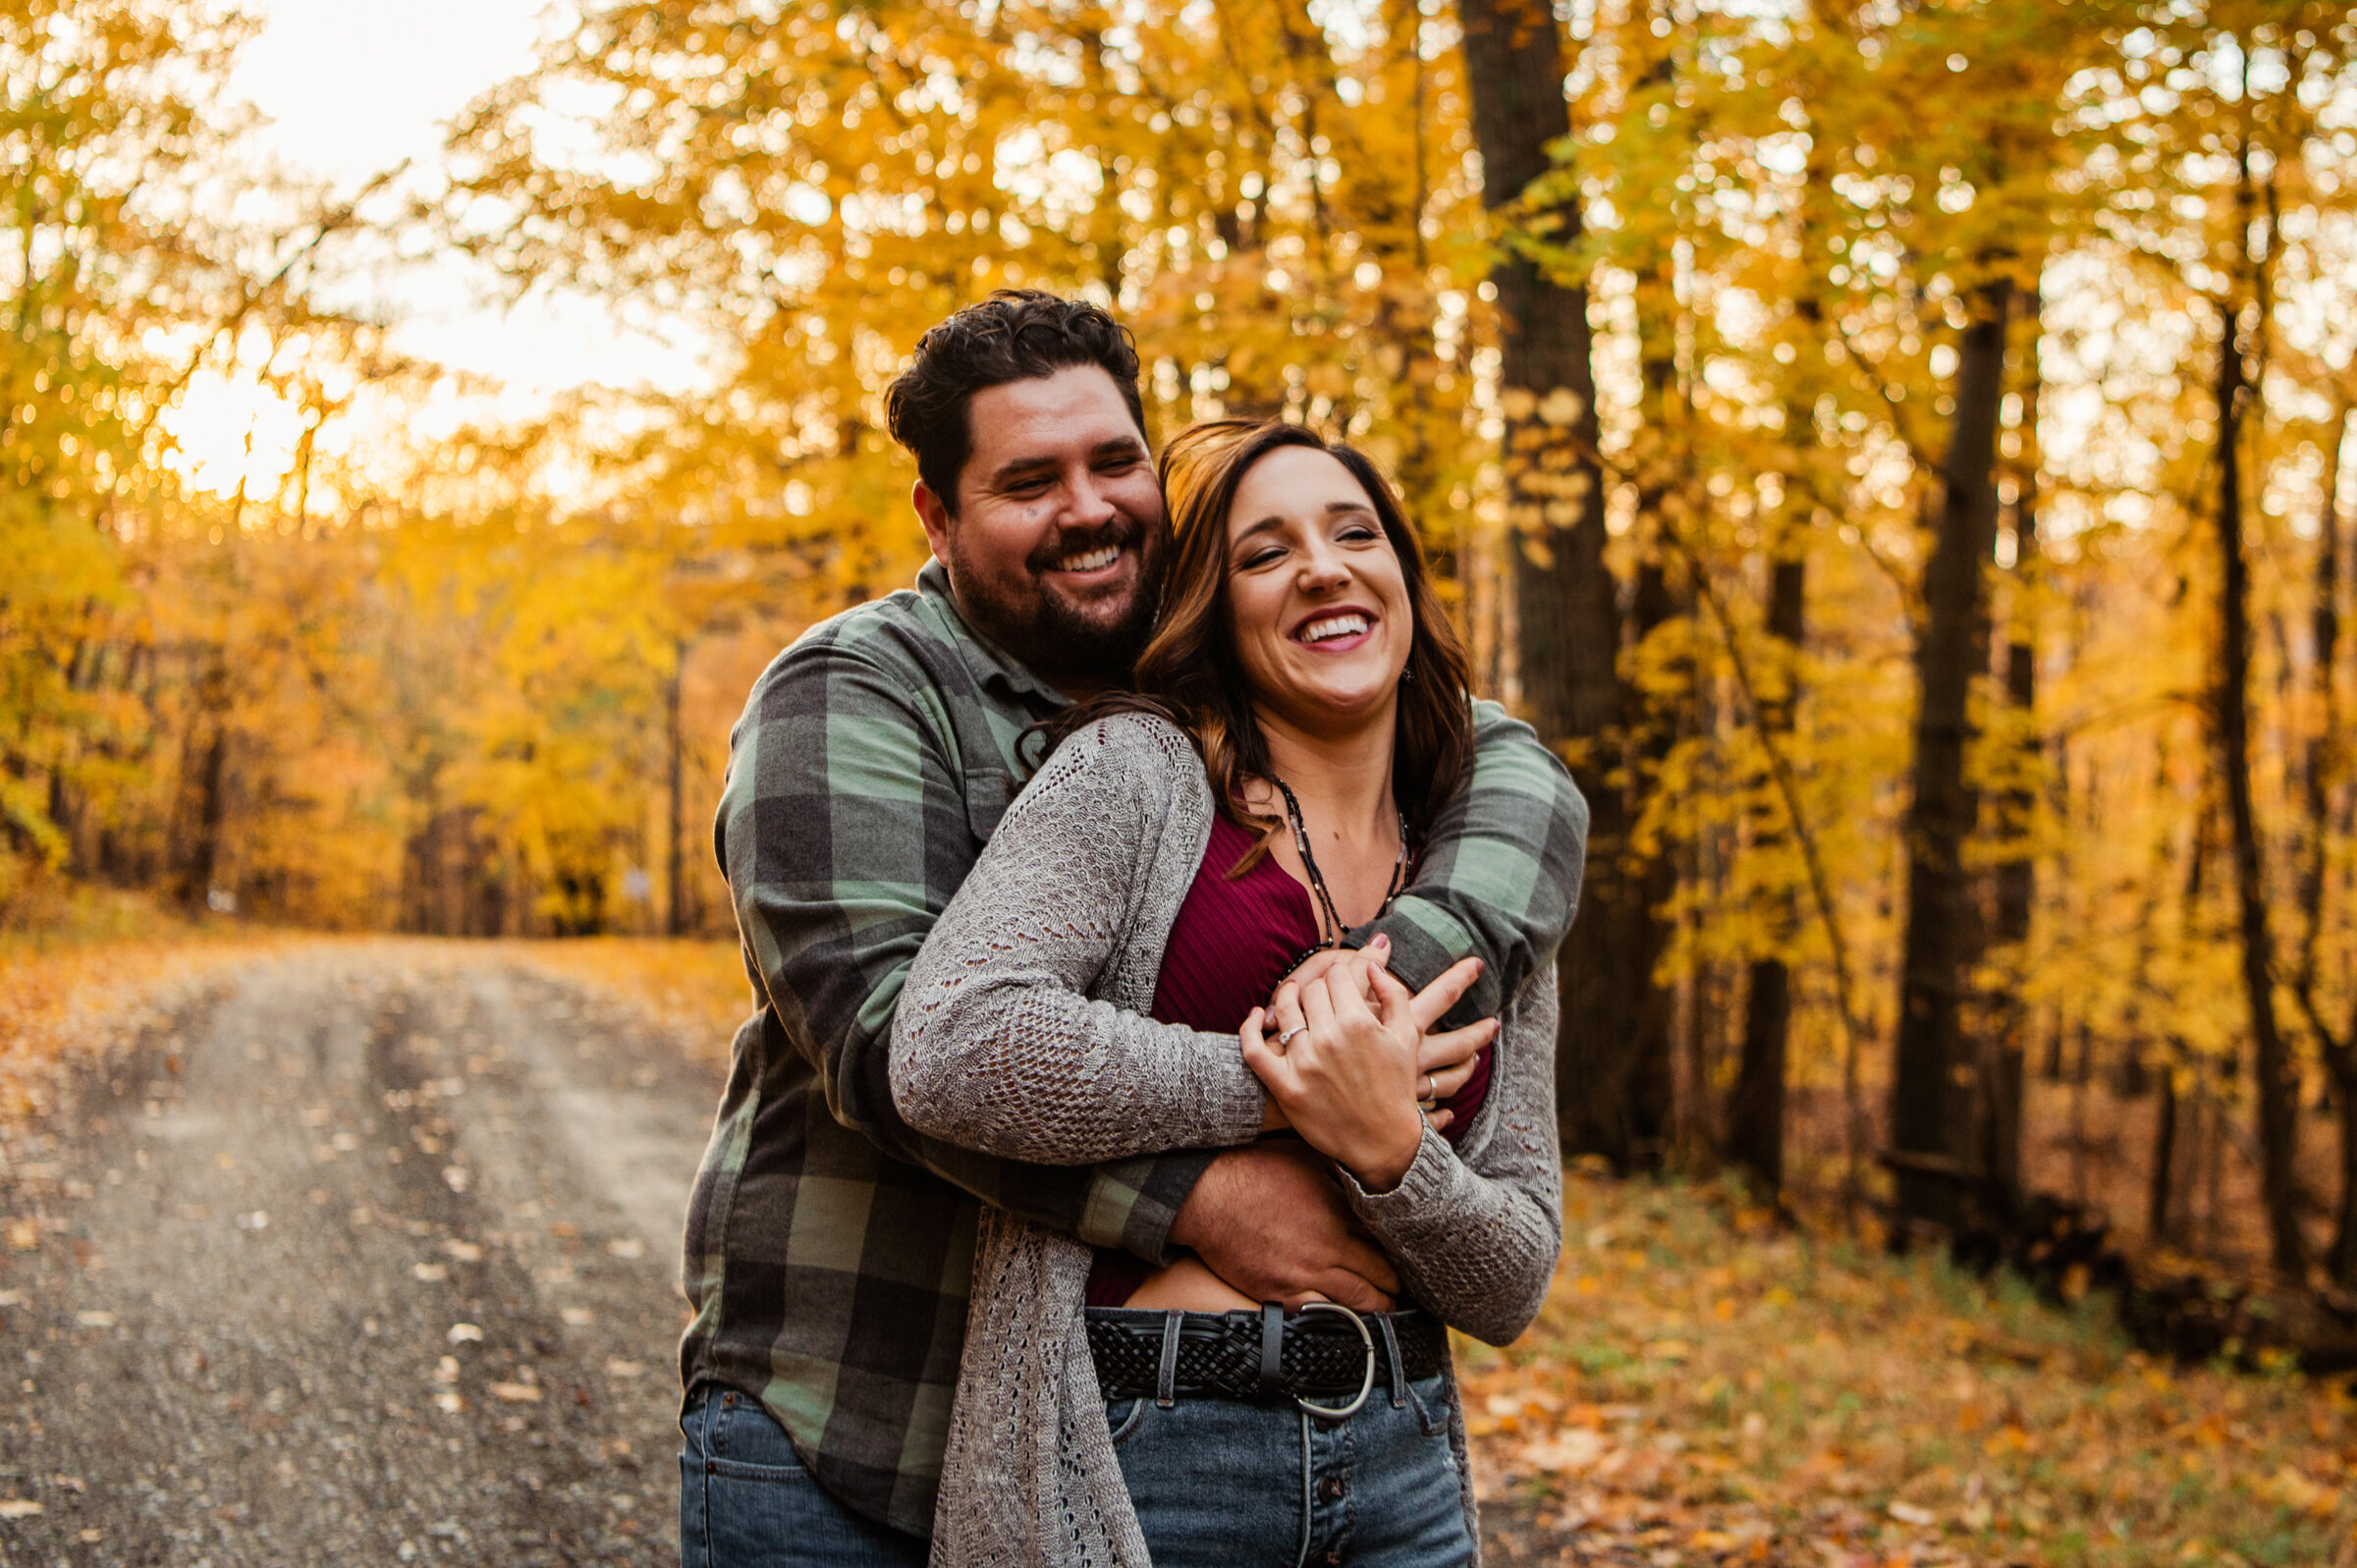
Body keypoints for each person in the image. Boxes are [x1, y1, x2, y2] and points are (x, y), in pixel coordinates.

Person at [678, 292, 1586, 1567]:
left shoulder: (1200, 680)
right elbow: (899, 1058)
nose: (1090, 508)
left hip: (1142, 1419)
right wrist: (1216, 1177)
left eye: (1115, 462)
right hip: (854, 1402)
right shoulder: (856, 693)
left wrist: (1426, 962)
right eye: (1029, 480)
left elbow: (1500, 762)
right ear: (938, 517)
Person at [891, 419, 1568, 1566]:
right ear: (1217, 606)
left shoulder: (1480, 876)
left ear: (1403, 575)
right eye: (1266, 553)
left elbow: (1511, 1278)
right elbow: (953, 1040)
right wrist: (1280, 1083)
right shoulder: (1136, 775)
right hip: (1147, 1448)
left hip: (1401, 1460)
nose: (1321, 567)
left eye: (1355, 533)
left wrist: (1391, 1151)